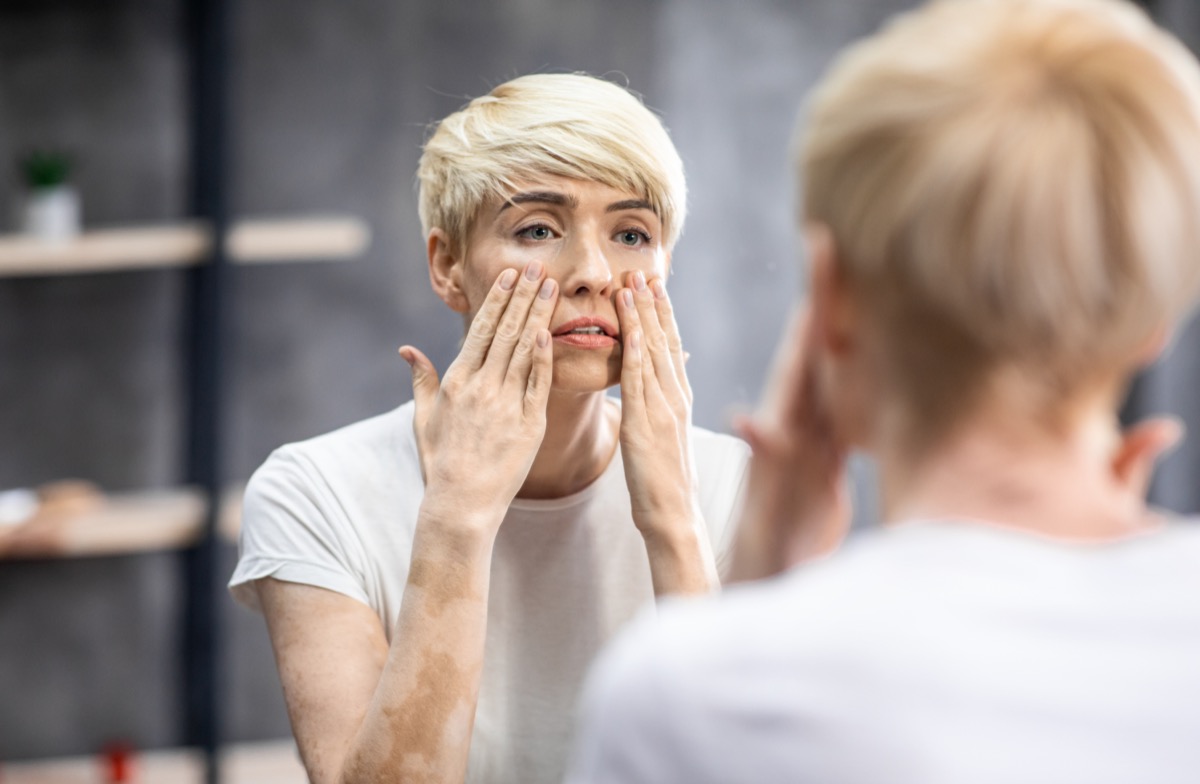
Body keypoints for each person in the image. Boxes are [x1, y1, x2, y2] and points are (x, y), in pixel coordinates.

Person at [566, 1, 1200, 782]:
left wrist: (761, 599)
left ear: (829, 296)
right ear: (1156, 323)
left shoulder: (681, 700)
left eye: (631, 234)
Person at [227, 72, 748, 784]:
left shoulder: (737, 486)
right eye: (537, 229)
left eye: (632, 233)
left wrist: (672, 523)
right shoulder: (316, 492)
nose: (592, 273)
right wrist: (458, 514)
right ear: (448, 266)